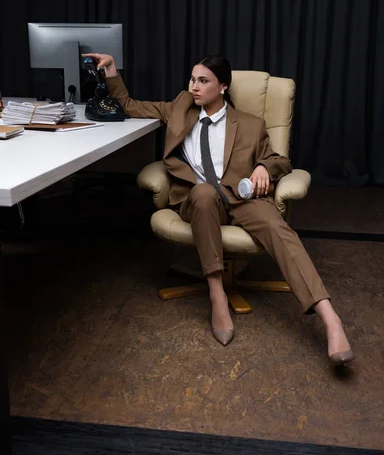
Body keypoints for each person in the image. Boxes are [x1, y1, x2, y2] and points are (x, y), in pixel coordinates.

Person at [82, 52, 354, 366]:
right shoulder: (179, 109)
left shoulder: (250, 124)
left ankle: (330, 319)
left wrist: (265, 167)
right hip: (198, 203)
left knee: (279, 229)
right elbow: (129, 106)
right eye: (192, 79)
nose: (194, 87)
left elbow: (281, 159)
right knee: (202, 192)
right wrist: (112, 71)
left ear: (222, 86)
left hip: (242, 199)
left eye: (203, 81)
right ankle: (217, 294)